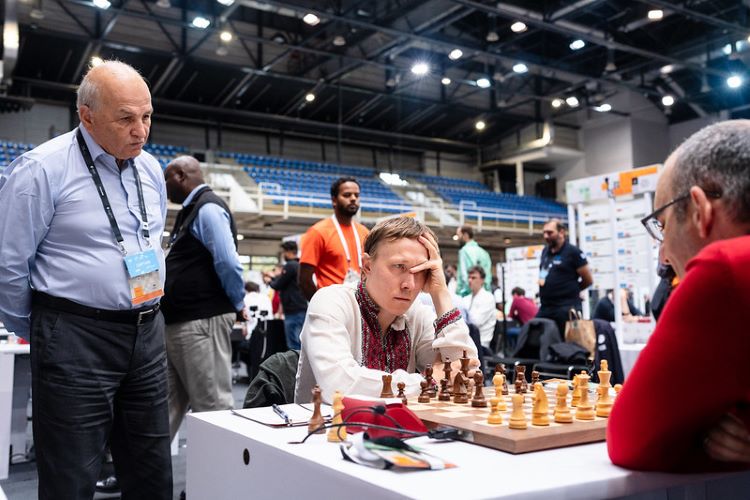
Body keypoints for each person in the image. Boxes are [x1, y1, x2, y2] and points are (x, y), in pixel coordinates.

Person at [0, 61, 172, 498]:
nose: (140, 130)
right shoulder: (41, 169)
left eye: (147, 116)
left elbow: (149, 241)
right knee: (70, 477)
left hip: (147, 332)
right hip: (74, 335)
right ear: (87, 115)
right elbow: (8, 264)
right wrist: (43, 328)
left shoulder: (151, 169)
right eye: (126, 118)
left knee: (152, 472)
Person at [608, 120, 750, 472]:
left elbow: (632, 439)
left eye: (662, 225)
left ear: (700, 210)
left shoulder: (727, 270)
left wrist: (704, 436)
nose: (663, 255)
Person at [294, 217, 478, 404]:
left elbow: (465, 373)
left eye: (421, 270)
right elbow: (338, 386)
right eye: (399, 266)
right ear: (367, 266)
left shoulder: (417, 315)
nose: (409, 284)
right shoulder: (331, 302)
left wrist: (440, 292)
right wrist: (428, 382)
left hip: (401, 423)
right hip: (327, 423)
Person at [161, 155, 247, 440]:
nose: (164, 187)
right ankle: (143, 470)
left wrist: (237, 302)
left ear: (180, 176)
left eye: (166, 179)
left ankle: (221, 470)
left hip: (201, 322)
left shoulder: (208, 208)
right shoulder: (190, 211)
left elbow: (228, 262)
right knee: (165, 407)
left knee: (212, 408)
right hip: (181, 323)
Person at [299, 177, 369, 300]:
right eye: (347, 195)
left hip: (360, 303)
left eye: (356, 195)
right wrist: (321, 304)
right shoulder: (318, 232)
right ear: (334, 200)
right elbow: (304, 279)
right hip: (332, 303)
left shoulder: (365, 232)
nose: (353, 198)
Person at [536, 219, 593, 335]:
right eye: (544, 233)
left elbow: (588, 280)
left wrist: (572, 290)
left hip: (566, 308)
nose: (546, 236)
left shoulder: (573, 252)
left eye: (550, 233)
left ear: (561, 232)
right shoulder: (545, 252)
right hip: (546, 307)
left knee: (567, 341)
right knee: (537, 335)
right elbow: (544, 272)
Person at [268, 240, 308, 350]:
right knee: (299, 342)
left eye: (284, 252)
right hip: (300, 308)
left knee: (293, 345)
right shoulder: (299, 265)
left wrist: (270, 281)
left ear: (289, 252)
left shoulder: (290, 266)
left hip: (293, 310)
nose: (283, 255)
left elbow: (278, 285)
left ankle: (296, 362)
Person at [463, 266, 497, 350]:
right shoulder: (465, 299)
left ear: (482, 280)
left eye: (473, 278)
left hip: (481, 345)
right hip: (466, 341)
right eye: (469, 277)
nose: (470, 280)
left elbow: (475, 323)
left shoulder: (488, 298)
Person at [455, 225, 492, 297]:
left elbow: (463, 275)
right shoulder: (485, 253)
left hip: (468, 294)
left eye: (459, 235)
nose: (458, 238)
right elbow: (488, 276)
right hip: (484, 293)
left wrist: (461, 293)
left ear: (465, 235)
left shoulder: (464, 251)